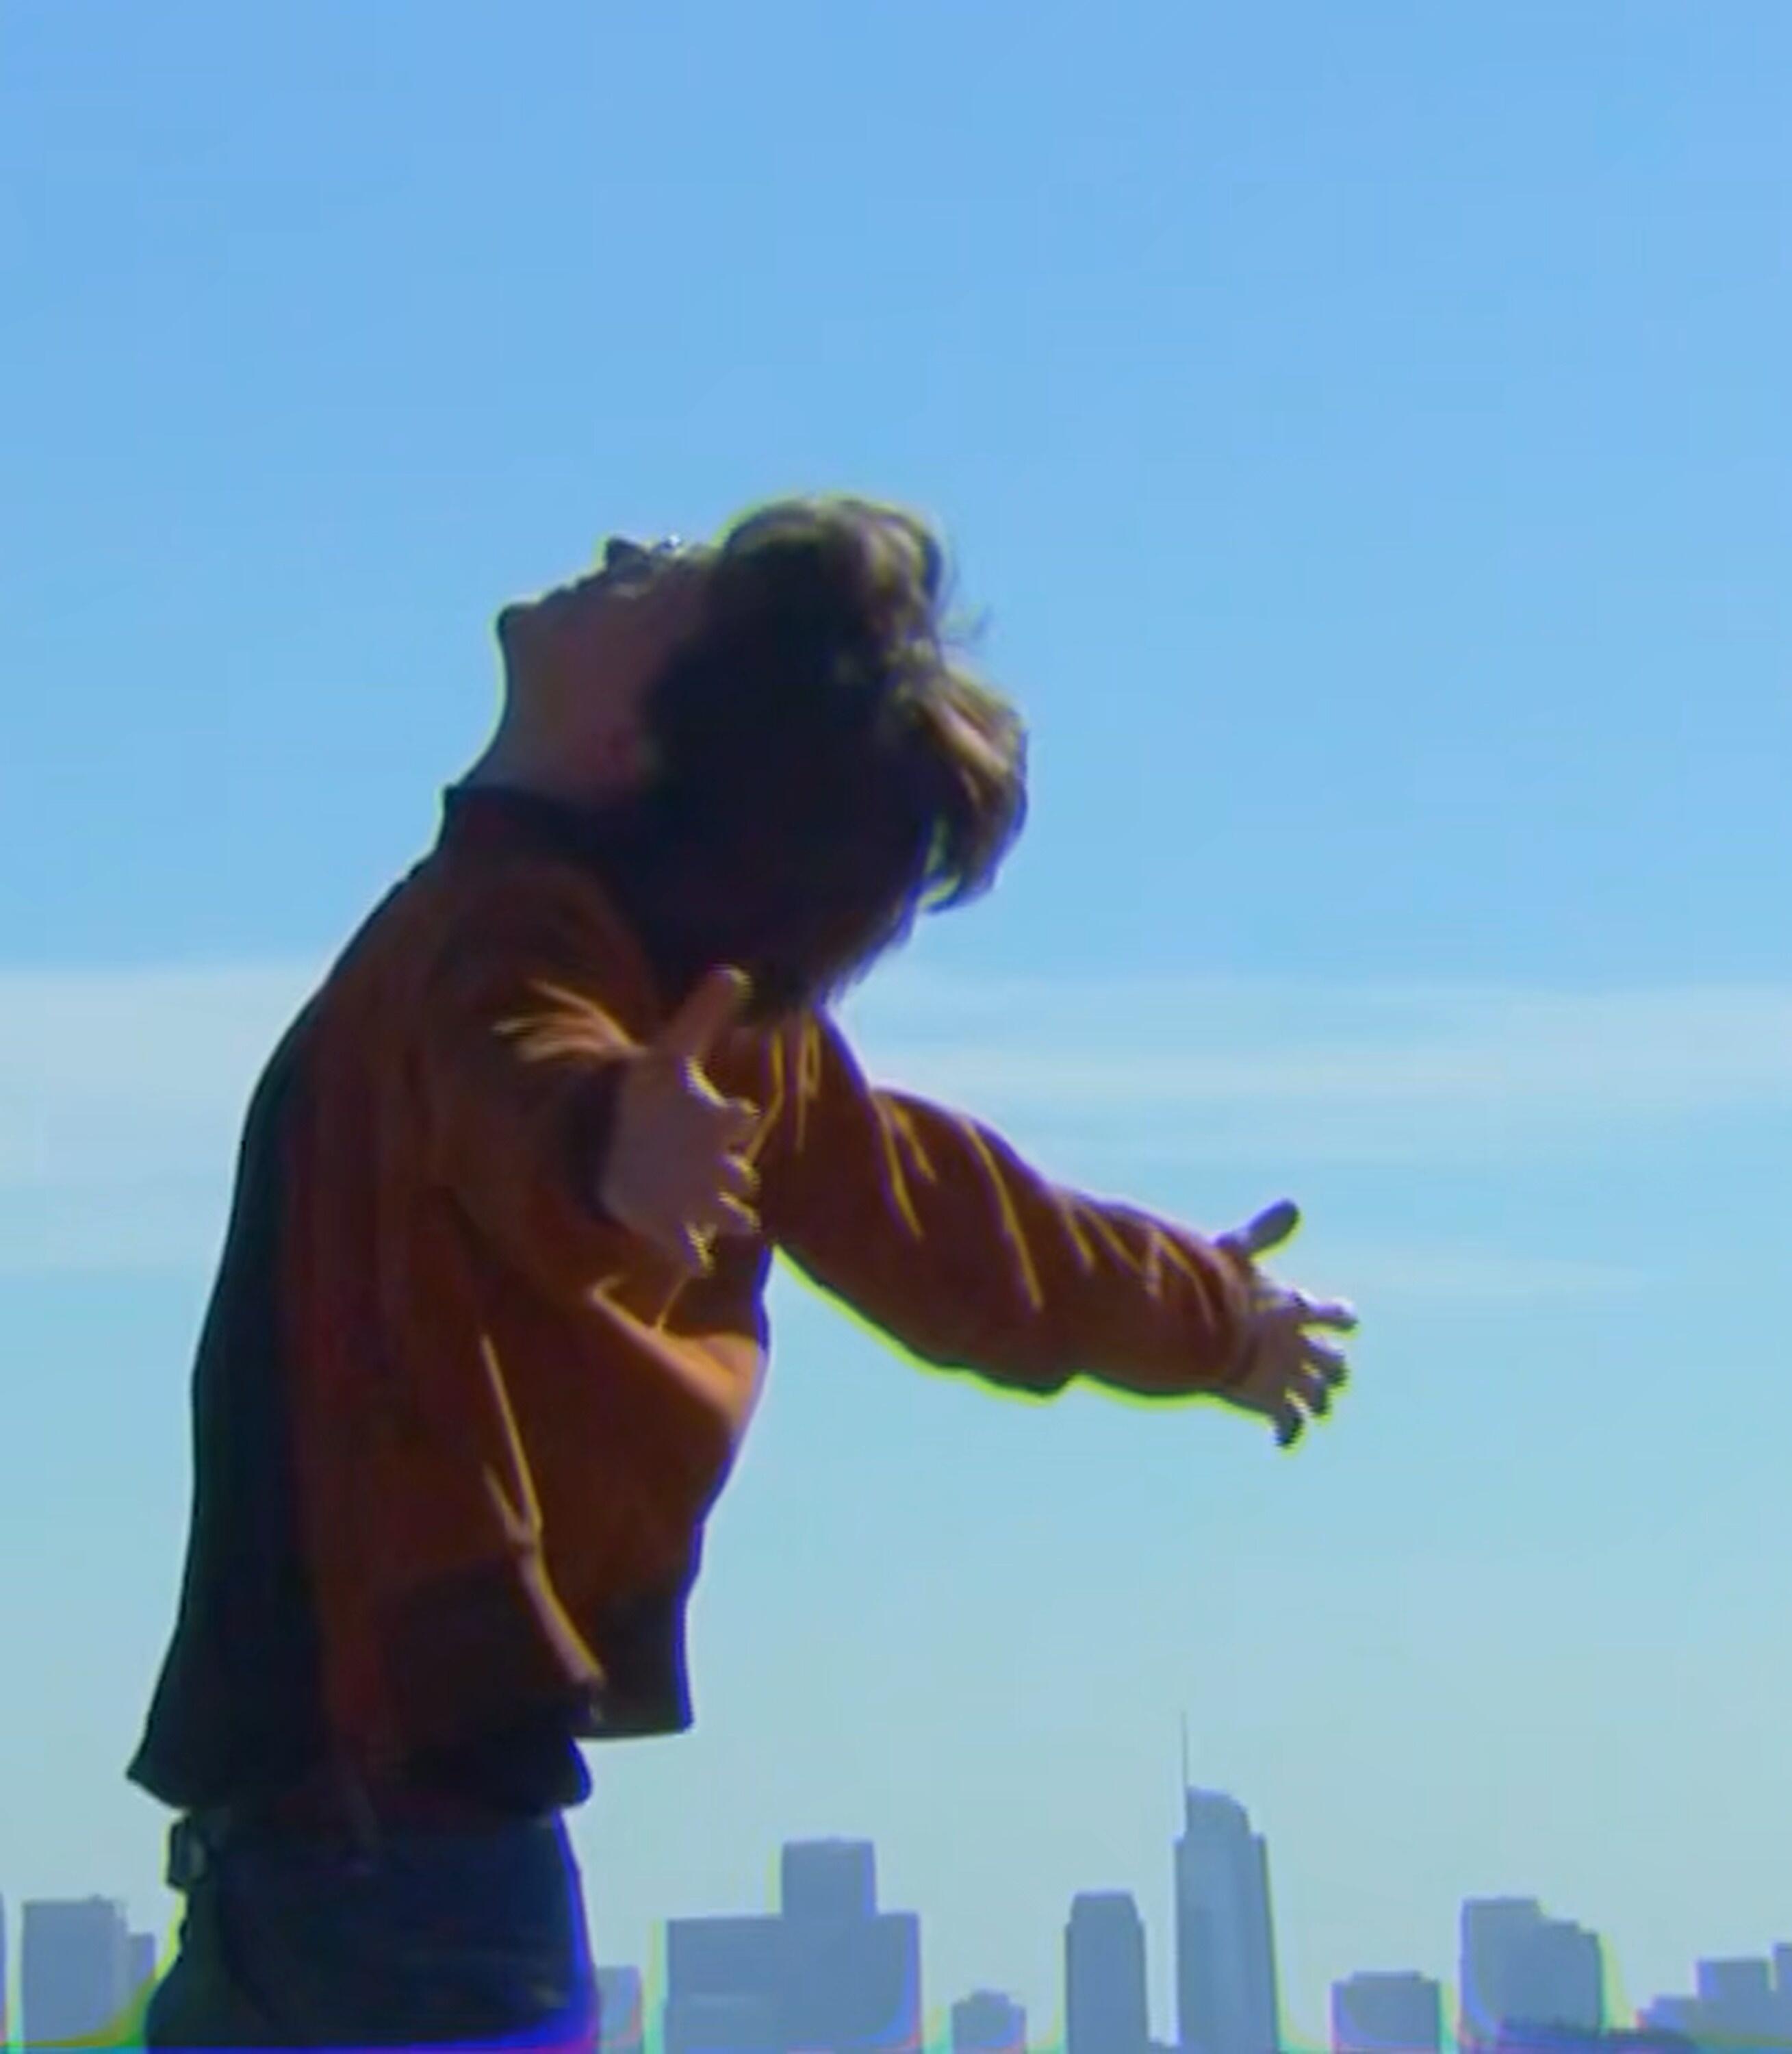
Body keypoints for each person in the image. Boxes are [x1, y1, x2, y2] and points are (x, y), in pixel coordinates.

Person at [132, 498, 1357, 2050]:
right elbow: (960, 1229)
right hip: (378, 1881)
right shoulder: (689, 1005)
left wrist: (604, 1144)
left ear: (643, 738)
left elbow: (519, 1068)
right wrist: (1215, 1316)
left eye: (676, 580)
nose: (626, 548)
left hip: (374, 1890)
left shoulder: (521, 940)